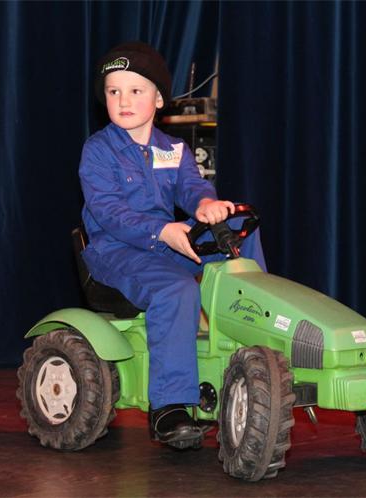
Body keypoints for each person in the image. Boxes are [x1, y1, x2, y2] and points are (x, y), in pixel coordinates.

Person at [78, 42, 266, 449]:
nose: (123, 100)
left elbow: (191, 186)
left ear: (159, 99)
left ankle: (258, 340)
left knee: (238, 225)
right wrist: (161, 231)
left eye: (136, 91)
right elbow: (109, 211)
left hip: (165, 243)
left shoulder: (173, 149)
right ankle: (170, 407)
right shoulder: (98, 151)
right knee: (176, 289)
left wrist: (205, 205)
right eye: (113, 91)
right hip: (116, 252)